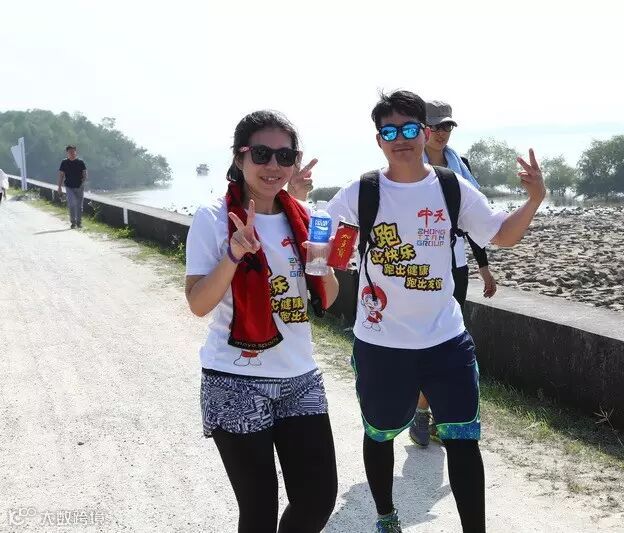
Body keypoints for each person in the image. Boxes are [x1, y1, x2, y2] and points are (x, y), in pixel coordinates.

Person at [325, 90, 546, 533]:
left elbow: (500, 234)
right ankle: (386, 517)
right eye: (390, 131)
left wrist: (534, 199)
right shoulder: (362, 192)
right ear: (379, 140)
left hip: (446, 341)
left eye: (409, 128)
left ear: (425, 133)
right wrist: (297, 204)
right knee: (379, 433)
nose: (401, 139)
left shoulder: (450, 187)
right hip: (381, 344)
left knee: (463, 440)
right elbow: (326, 244)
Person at [184, 110, 337, 533]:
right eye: (262, 154)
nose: (273, 165)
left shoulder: (302, 217)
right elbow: (198, 303)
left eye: (284, 156)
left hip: (300, 377)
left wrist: (321, 263)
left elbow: (326, 297)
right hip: (235, 380)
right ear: (240, 157)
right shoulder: (213, 217)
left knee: (317, 499)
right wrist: (234, 254)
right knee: (258, 511)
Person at [409, 99, 498, 447]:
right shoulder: (407, 165)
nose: (441, 132)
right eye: (435, 126)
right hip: (417, 264)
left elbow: (472, 220)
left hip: (454, 262)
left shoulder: (461, 167)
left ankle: (435, 414)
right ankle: (420, 412)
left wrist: (484, 267)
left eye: (446, 126)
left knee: (448, 339)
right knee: (423, 339)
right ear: (422, 130)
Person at [57, 145, 88, 229]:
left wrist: (83, 182)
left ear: (76, 152)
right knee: (71, 204)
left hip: (79, 186)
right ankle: (73, 222)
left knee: (79, 206)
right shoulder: (64, 162)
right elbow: (61, 175)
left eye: (73, 151)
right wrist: (59, 187)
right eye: (70, 152)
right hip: (69, 186)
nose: (72, 153)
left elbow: (85, 173)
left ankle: (79, 223)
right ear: (67, 153)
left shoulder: (80, 162)